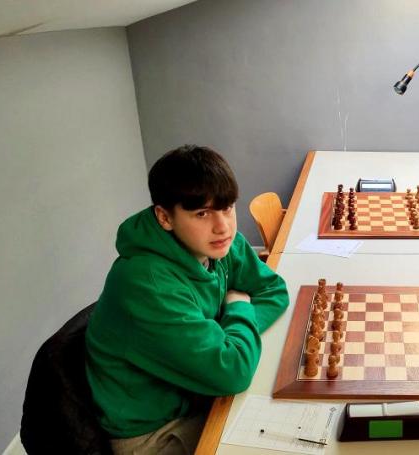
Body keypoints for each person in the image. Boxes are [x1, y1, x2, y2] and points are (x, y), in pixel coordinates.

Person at [86, 145, 289, 454]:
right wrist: (238, 309)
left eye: (227, 208)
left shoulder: (217, 243)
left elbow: (274, 290)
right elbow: (233, 371)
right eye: (201, 213)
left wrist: (231, 339)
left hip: (199, 393)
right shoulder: (146, 283)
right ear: (164, 217)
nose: (223, 226)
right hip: (154, 432)